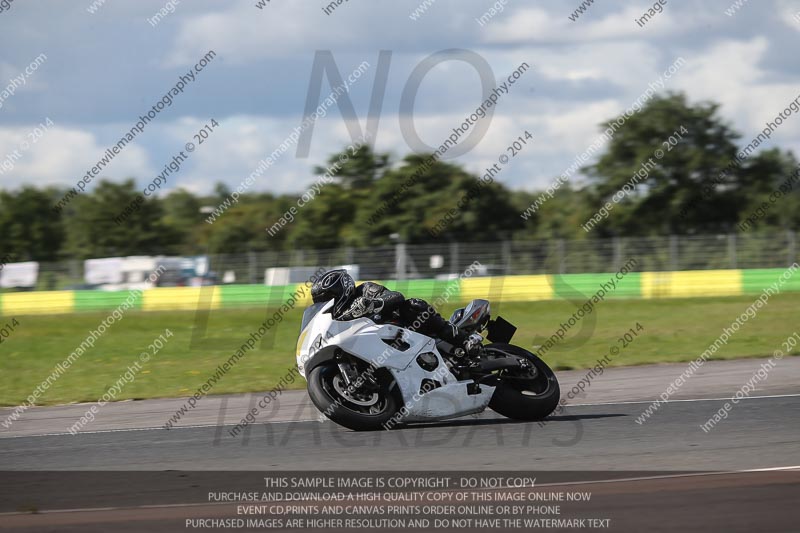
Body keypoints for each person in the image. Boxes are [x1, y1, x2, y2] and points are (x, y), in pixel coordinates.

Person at [310, 269, 482, 354]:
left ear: (342, 288)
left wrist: (373, 304)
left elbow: (396, 296)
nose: (326, 303)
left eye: (328, 297)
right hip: (385, 349)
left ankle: (463, 340)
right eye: (321, 301)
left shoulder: (364, 290)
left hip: (407, 329)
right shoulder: (336, 319)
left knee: (413, 305)